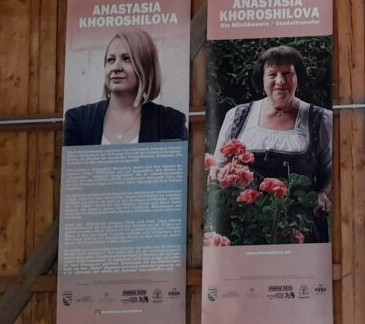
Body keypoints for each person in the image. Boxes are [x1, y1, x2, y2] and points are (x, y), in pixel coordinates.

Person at [211, 45, 334, 237]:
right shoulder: (237, 116)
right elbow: (217, 170)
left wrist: (323, 194)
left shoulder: (321, 120)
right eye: (272, 74)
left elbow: (331, 172)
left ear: (298, 78)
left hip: (301, 229)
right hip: (245, 230)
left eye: (287, 73)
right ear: (262, 79)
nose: (280, 81)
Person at [63, 29, 187, 145]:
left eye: (127, 59)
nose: (116, 67)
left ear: (146, 66)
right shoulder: (78, 119)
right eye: (111, 60)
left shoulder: (170, 122)